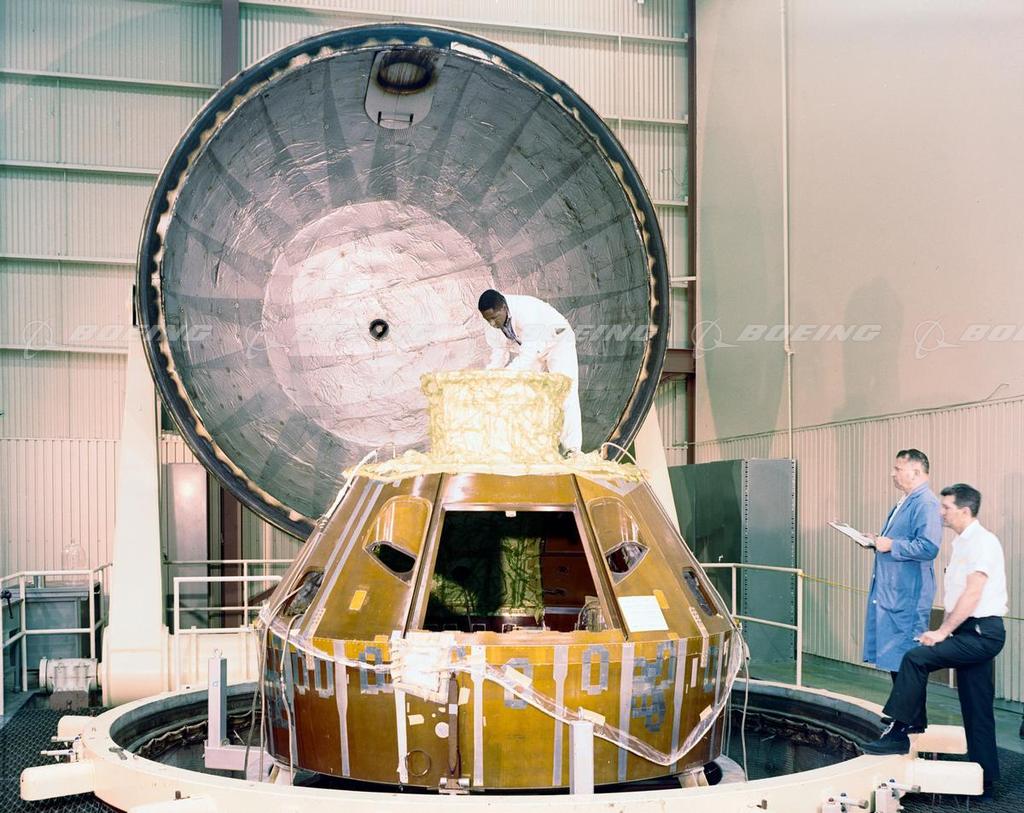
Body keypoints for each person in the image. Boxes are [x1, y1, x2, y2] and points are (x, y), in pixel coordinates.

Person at [861, 484, 1007, 794]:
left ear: (964, 511)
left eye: (946, 508)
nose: (940, 513)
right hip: (971, 631)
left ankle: (901, 730)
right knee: (976, 705)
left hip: (982, 632)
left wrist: (942, 632)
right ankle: (986, 777)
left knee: (915, 658)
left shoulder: (982, 542)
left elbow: (973, 594)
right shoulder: (962, 543)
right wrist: (949, 630)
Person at [863, 450, 942, 686]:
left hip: (908, 596)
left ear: (915, 472)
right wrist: (877, 541)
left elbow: (929, 547)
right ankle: (902, 706)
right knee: (896, 661)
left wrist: (891, 545)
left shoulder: (926, 503)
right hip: (895, 593)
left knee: (907, 661)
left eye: (898, 469)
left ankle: (909, 710)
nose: (892, 473)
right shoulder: (906, 501)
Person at [477, 289, 581, 454]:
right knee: (530, 395)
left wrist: (505, 375)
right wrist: (490, 376)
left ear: (503, 307)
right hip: (533, 349)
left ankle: (572, 450)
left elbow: (529, 354)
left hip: (558, 342)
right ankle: (538, 449)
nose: (492, 324)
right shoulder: (491, 320)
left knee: (565, 392)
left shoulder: (526, 309)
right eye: (487, 319)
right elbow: (498, 353)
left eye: (494, 318)